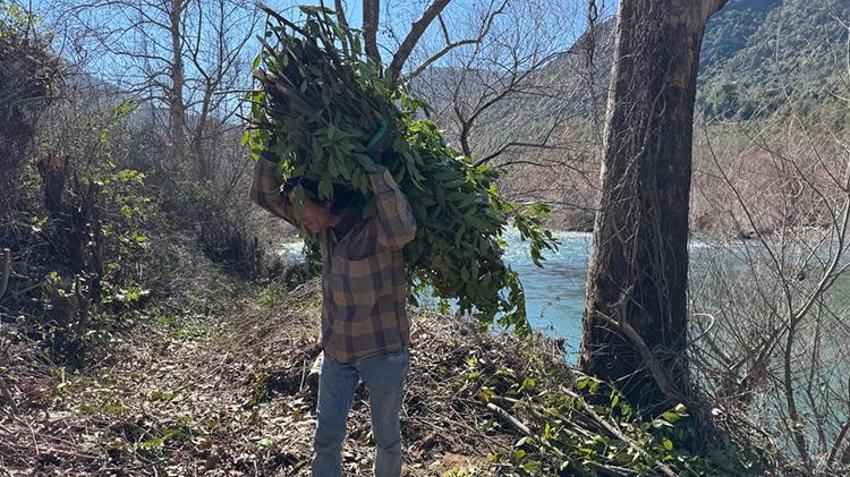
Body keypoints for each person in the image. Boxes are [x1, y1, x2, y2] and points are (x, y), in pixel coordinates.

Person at [249, 138, 416, 477]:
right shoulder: (321, 229)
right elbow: (265, 196)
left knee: (386, 439)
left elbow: (404, 230)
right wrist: (272, 149)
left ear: (326, 200)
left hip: (383, 352)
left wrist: (374, 167)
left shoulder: (378, 230)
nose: (298, 217)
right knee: (326, 439)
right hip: (337, 352)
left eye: (303, 207)